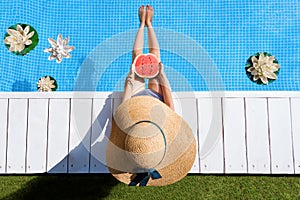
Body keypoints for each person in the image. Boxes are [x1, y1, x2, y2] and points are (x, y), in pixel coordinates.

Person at [122, 5, 174, 111]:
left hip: (135, 97)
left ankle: (142, 24)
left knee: (137, 57)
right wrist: (162, 76)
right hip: (156, 98)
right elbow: (170, 107)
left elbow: (123, 110)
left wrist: (129, 83)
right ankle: (149, 23)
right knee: (155, 58)